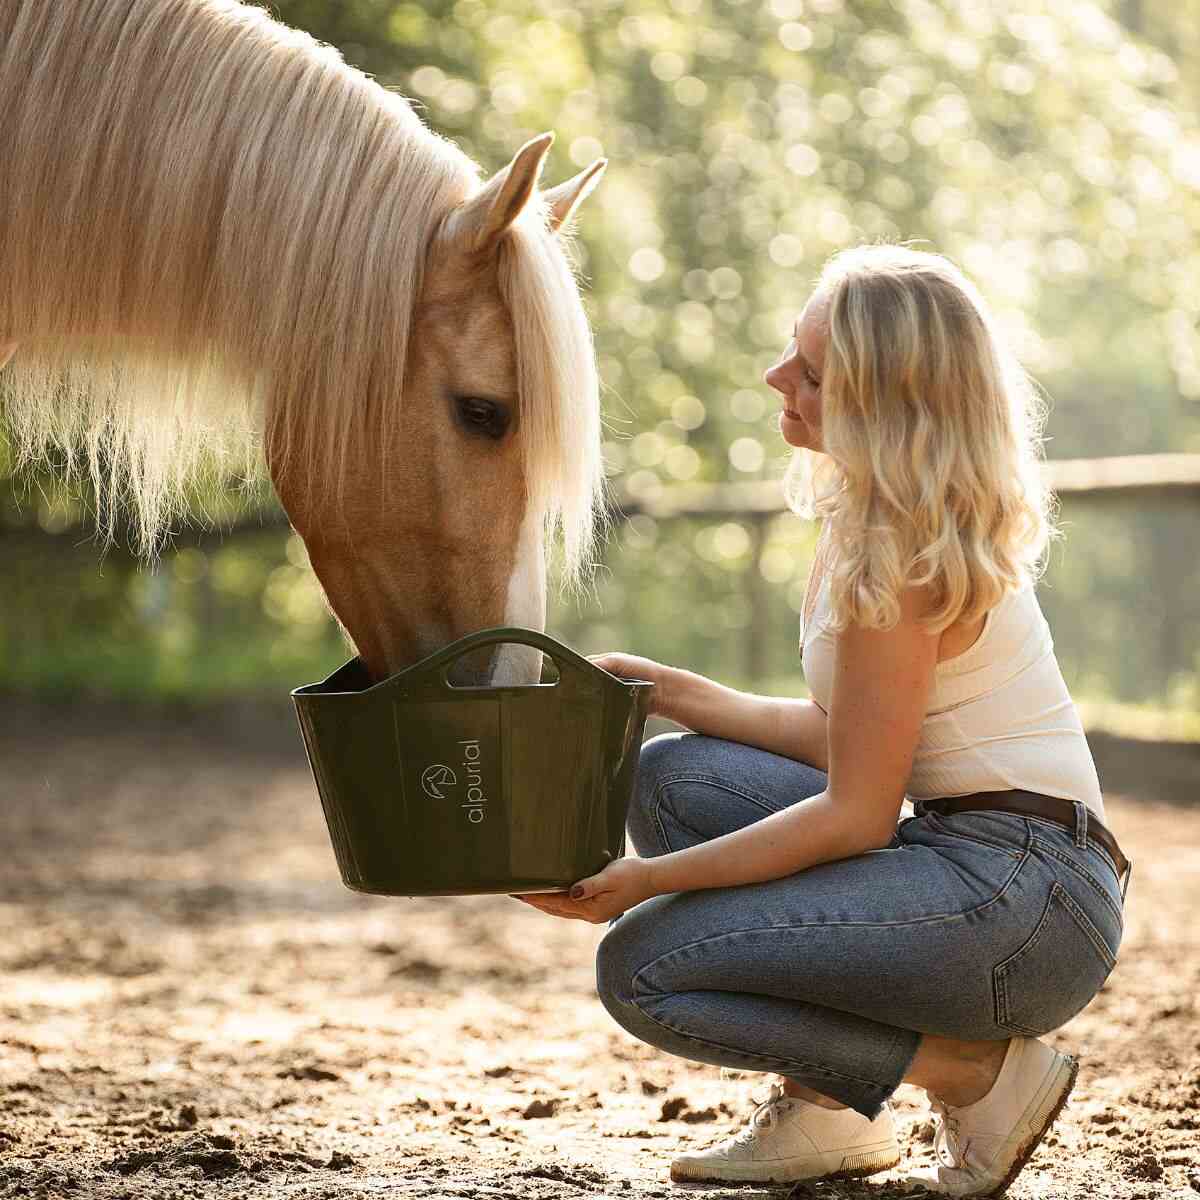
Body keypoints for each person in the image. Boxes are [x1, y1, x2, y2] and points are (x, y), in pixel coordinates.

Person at [511, 244, 1131, 1197]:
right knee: (675, 777)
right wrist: (666, 688)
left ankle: (978, 1075)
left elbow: (854, 814)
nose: (776, 378)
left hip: (1025, 905)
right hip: (988, 862)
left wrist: (640, 882)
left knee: (644, 970)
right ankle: (826, 1115)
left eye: (810, 372)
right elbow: (850, 740)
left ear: (885, 405)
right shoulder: (874, 518)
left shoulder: (905, 554)